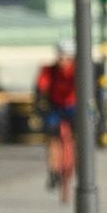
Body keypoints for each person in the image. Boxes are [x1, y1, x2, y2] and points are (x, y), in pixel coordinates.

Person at [35, 48, 81, 199]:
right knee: (52, 138)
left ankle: (76, 164)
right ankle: (53, 172)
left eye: (67, 58)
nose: (63, 62)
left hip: (73, 106)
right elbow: (41, 87)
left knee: (78, 135)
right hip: (55, 106)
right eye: (60, 58)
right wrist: (39, 104)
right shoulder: (50, 70)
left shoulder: (77, 69)